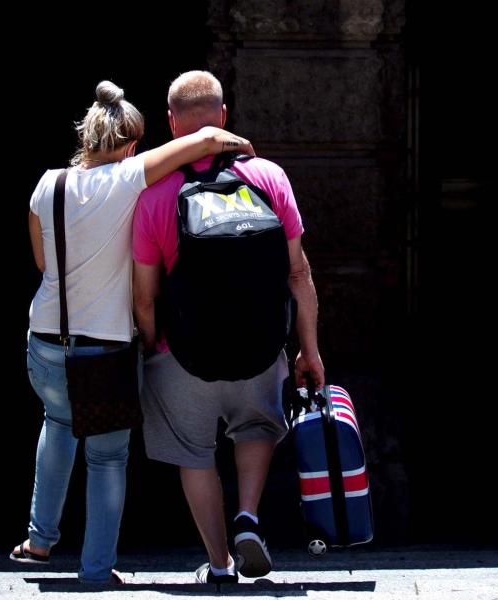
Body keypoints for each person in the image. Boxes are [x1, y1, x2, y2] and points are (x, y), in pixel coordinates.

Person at [11, 80, 253, 585]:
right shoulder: (127, 178)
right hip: (106, 348)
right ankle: (96, 568)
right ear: (127, 145)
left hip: (46, 339)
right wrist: (239, 146)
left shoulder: (47, 184)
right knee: (106, 456)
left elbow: (41, 261)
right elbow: (204, 141)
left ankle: (39, 539)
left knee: (57, 424)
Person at [132, 71, 326, 584]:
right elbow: (299, 271)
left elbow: (144, 293)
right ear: (223, 118)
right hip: (261, 345)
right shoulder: (269, 177)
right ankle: (248, 519)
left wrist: (152, 344)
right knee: (257, 427)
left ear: (173, 125)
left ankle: (218, 564)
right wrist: (308, 350)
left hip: (183, 352)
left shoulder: (154, 194)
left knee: (194, 453)